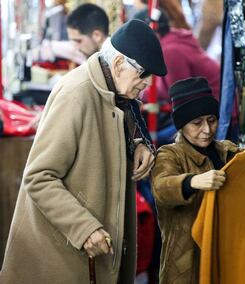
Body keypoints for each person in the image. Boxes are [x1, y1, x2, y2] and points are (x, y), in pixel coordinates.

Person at [0, 19, 167, 284]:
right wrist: (85, 229)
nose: (146, 83)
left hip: (90, 256)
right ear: (119, 64)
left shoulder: (114, 92)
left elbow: (106, 138)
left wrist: (137, 145)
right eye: (143, 75)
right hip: (62, 256)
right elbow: (39, 176)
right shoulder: (76, 95)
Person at [150, 77, 240, 283]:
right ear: (181, 125)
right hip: (186, 267)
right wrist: (192, 182)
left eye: (212, 120)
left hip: (225, 258)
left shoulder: (228, 151)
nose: (207, 129)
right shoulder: (168, 155)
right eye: (196, 123)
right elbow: (161, 188)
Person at [135, 8, 221, 144]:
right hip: (205, 107)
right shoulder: (173, 39)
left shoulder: (171, 51)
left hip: (213, 113)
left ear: (154, 32)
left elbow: (179, 95)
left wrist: (140, 94)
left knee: (156, 139)